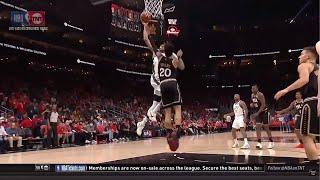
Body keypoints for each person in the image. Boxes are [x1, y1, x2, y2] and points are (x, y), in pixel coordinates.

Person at [275, 45, 319, 165]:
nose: (299, 56)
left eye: (301, 53)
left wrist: (285, 90)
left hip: (311, 102)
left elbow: (304, 80)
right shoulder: (318, 68)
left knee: (306, 135)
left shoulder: (304, 65)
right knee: (313, 134)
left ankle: (314, 163)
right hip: (318, 100)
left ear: (308, 56)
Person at [136, 21, 164, 136]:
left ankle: (142, 124)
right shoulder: (155, 53)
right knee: (167, 96)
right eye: (161, 46)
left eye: (163, 46)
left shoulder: (168, 58)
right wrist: (144, 26)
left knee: (155, 104)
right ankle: (152, 114)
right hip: (155, 81)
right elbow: (146, 39)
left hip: (159, 82)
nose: (161, 47)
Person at [158, 41, 185, 151]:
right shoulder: (174, 59)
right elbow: (182, 67)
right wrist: (179, 56)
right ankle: (177, 131)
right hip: (172, 83)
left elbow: (157, 51)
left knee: (168, 112)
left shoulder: (159, 58)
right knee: (177, 109)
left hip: (163, 85)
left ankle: (169, 133)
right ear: (172, 50)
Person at [250, 85, 274, 149]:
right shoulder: (252, 95)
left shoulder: (260, 94)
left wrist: (257, 113)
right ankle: (259, 142)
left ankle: (271, 142)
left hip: (264, 112)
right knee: (257, 127)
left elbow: (263, 105)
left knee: (266, 127)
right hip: (258, 113)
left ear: (257, 89)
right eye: (252, 88)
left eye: (254, 88)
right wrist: (252, 105)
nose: (252, 89)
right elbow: (255, 104)